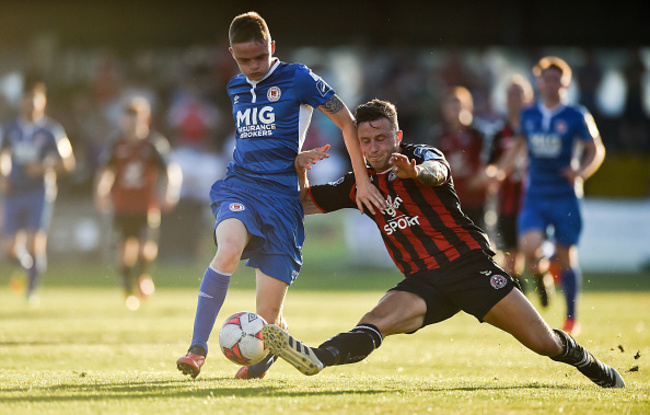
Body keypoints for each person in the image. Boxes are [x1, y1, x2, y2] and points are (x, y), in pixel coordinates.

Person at [261, 99, 624, 389]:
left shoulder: (420, 156)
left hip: (469, 268)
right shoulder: (360, 183)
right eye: (365, 141)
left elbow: (439, 173)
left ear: (397, 135)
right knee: (374, 321)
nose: (373, 148)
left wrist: (414, 173)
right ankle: (316, 356)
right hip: (423, 281)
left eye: (381, 138)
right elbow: (302, 203)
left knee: (543, 343)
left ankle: (588, 362)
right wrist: (300, 169)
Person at [176, 11, 384, 380]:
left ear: (272, 47)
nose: (253, 66)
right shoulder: (235, 86)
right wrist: (290, 156)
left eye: (259, 57)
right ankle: (197, 349)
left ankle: (268, 353)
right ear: (232, 55)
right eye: (244, 60)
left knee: (268, 319)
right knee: (227, 250)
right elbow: (256, 140)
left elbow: (348, 124)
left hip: (283, 200)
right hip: (241, 185)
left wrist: (363, 180)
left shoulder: (299, 78)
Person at [491, 57, 606, 335]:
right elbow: (517, 147)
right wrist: (499, 171)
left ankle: (571, 318)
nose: (552, 84)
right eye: (547, 79)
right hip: (536, 195)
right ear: (540, 82)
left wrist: (581, 171)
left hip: (566, 195)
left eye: (558, 79)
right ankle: (546, 263)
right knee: (529, 247)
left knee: (568, 255)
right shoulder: (530, 115)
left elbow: (596, 150)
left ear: (566, 83)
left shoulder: (576, 115)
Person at [95, 96, 182, 310]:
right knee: (125, 249)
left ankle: (143, 277)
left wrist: (169, 191)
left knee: (145, 247)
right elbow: (107, 170)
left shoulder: (153, 143)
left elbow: (170, 170)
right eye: (128, 118)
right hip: (123, 205)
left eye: (137, 118)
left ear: (145, 119)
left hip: (146, 205)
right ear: (123, 120)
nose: (132, 123)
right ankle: (127, 288)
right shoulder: (117, 143)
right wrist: (101, 191)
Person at [0, 78, 76, 306]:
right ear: (20, 101)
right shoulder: (9, 129)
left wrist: (43, 167)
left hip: (39, 192)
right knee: (9, 248)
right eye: (27, 98)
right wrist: (3, 176)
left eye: (36, 99)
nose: (31, 103)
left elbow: (68, 162)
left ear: (43, 102)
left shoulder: (51, 130)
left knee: (36, 243)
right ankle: (25, 269)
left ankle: (31, 290)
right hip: (14, 191)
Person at [485, 75, 534, 293]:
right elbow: (491, 166)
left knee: (534, 250)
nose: (514, 99)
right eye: (510, 94)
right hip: (506, 201)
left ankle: (541, 275)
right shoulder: (497, 134)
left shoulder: (538, 128)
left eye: (519, 93)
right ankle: (518, 291)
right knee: (510, 253)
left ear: (529, 98)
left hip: (534, 200)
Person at [429, 86, 488, 228]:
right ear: (445, 110)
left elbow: (487, 162)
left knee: (477, 239)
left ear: (470, 107)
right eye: (452, 106)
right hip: (448, 199)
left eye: (459, 106)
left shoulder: (478, 134)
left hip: (474, 198)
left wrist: (482, 175)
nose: (456, 111)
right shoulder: (438, 136)